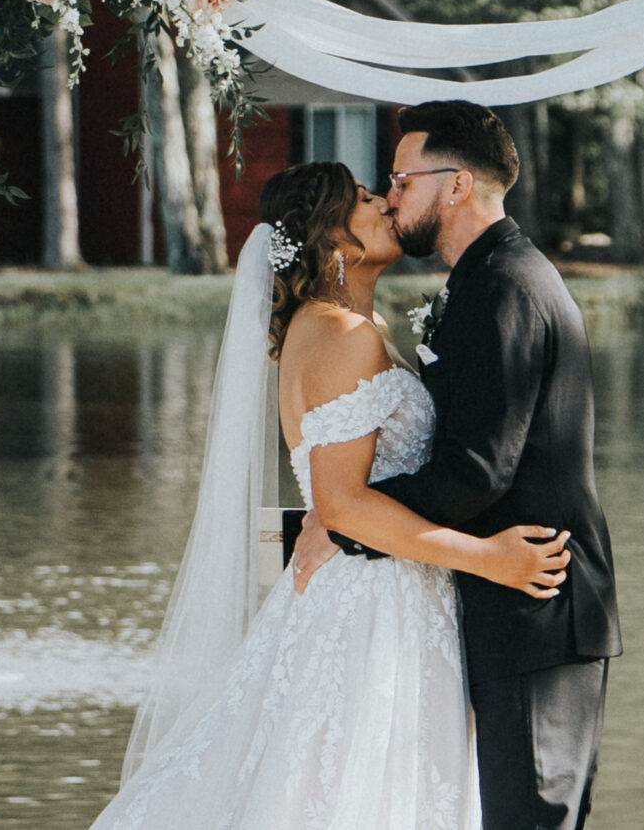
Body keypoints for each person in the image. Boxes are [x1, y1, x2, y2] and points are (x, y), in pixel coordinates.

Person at [88, 161, 572, 830]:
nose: (389, 205)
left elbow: (337, 499)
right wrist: (490, 558)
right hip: (372, 606)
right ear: (334, 241)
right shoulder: (341, 337)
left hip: (376, 590)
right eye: (370, 200)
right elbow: (343, 505)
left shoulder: (333, 329)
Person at [294, 101, 622, 830]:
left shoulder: (507, 286)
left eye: (403, 180)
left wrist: (343, 520)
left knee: (531, 818)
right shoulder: (480, 282)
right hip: (501, 601)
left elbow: (475, 472)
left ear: (456, 186)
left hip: (536, 595)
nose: (393, 196)